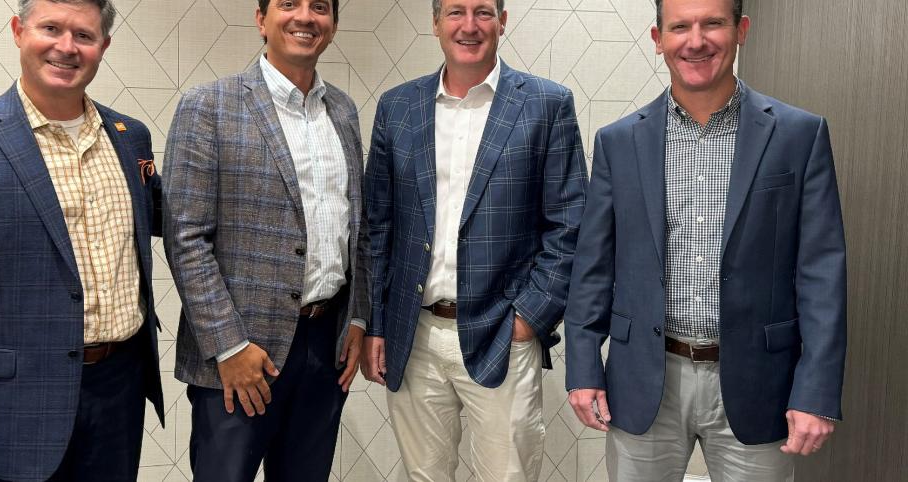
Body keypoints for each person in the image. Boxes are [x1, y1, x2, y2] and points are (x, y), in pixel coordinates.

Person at [564, 0, 847, 479]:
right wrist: (584, 366)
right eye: (679, 27)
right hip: (644, 377)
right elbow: (594, 265)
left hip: (759, 382)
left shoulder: (799, 135)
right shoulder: (618, 143)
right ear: (658, 40)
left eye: (713, 22)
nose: (696, 41)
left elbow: (821, 272)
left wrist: (816, 389)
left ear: (742, 30)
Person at [0, 0, 165, 480]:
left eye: (83, 35)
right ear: (19, 31)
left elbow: (171, 216)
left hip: (119, 388)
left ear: (104, 46)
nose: (66, 47)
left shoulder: (130, 138)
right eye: (51, 28)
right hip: (11, 408)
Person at [360, 0, 587, 479]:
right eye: (456, 11)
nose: (469, 26)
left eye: (483, 11)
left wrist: (528, 319)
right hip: (414, 334)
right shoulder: (397, 108)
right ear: (436, 21)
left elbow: (570, 226)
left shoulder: (546, 104)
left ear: (503, 21)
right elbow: (378, 227)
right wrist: (377, 324)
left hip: (503, 333)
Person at [161, 0, 368, 480]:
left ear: (333, 25)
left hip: (325, 344)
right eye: (288, 3)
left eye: (320, 7)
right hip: (240, 357)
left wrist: (357, 314)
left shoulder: (342, 109)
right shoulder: (208, 105)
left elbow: (358, 225)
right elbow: (185, 237)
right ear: (261, 19)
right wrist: (228, 346)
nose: (305, 16)